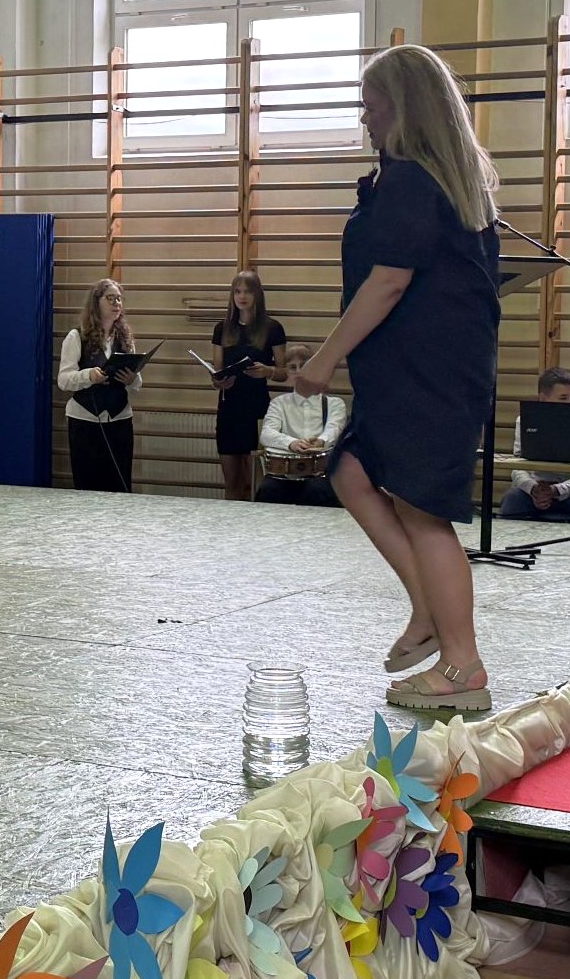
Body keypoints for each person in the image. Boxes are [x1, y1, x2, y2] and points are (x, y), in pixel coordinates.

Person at [296, 44, 500, 712]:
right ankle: (428, 609)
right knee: (351, 471)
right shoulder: (430, 181)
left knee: (421, 509)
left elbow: (388, 281)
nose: (365, 117)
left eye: (372, 105)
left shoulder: (416, 181)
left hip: (426, 374)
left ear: (403, 107)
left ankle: (462, 664)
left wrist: (324, 358)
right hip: (411, 369)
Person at [209, 269, 287, 500]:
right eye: (237, 291)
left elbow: (284, 373)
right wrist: (219, 381)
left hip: (257, 408)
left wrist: (268, 371)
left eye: (248, 291)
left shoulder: (272, 328)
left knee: (254, 481)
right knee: (232, 480)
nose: (242, 296)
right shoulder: (222, 328)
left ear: (257, 295)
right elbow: (216, 373)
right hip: (229, 408)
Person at [58, 279, 141, 493]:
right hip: (85, 421)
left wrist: (132, 379)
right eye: (110, 298)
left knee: (119, 485)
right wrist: (89, 376)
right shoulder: (77, 336)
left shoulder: (125, 338)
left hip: (120, 419)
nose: (116, 303)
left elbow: (137, 382)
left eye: (119, 299)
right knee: (88, 485)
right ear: (96, 302)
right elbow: (64, 380)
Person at [499, 367, 570, 524]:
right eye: (563, 398)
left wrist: (558, 490)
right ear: (543, 399)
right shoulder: (524, 421)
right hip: (536, 490)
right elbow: (517, 466)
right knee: (512, 499)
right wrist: (533, 489)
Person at [256, 344, 345, 507]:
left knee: (317, 491)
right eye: (292, 367)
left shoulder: (334, 404)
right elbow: (266, 434)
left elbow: (334, 429)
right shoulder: (278, 403)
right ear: (287, 372)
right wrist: (292, 443)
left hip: (320, 474)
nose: (298, 371)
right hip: (284, 475)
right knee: (268, 490)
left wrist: (321, 441)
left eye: (303, 366)